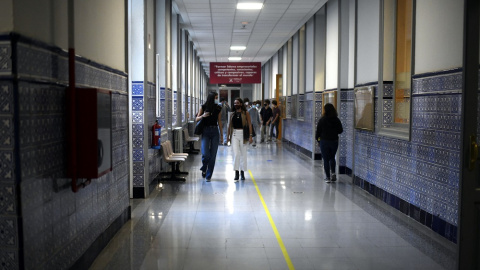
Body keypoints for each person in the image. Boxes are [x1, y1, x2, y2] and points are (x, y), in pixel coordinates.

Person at [196, 92, 223, 182]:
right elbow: (197, 118)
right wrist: (203, 116)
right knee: (205, 153)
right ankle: (204, 168)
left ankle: (209, 175)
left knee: (213, 155)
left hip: (215, 131)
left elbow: (219, 121)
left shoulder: (218, 108)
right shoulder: (203, 107)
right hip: (205, 131)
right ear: (211, 98)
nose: (216, 99)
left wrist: (222, 135)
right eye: (215, 97)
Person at [315, 103, 343, 183]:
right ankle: (333, 173)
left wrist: (318, 140)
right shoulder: (336, 120)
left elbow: (318, 132)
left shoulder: (322, 120)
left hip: (324, 141)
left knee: (326, 159)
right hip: (334, 141)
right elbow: (340, 130)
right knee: (332, 157)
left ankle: (327, 177)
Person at [227, 97, 253, 181]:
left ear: (241, 104)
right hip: (234, 134)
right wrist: (228, 137)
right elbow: (229, 126)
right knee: (236, 154)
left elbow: (249, 124)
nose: (235, 104)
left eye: (237, 103)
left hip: (243, 135)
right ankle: (236, 172)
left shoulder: (246, 113)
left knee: (243, 154)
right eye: (234, 103)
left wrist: (250, 136)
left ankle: (242, 172)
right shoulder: (232, 114)